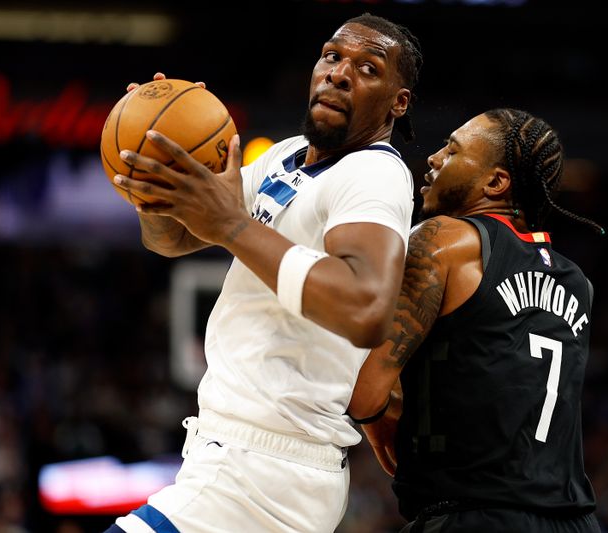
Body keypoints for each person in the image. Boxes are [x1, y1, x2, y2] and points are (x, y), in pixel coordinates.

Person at [105, 13, 422, 533]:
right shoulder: (286, 157)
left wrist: (231, 225)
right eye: (332, 56)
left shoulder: (374, 172)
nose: (339, 73)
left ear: (398, 101)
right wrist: (154, 177)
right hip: (239, 457)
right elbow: (175, 238)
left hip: (266, 468)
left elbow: (365, 306)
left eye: (368, 67)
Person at [348, 109, 603, 532]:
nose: (432, 157)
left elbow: (364, 395)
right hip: (575, 520)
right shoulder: (579, 283)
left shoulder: (444, 239)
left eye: (452, 149)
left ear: (495, 183)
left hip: (477, 517)